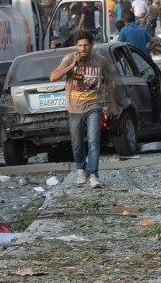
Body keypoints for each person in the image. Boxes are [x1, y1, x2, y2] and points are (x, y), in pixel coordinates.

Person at [48, 31, 118, 189]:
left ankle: (93, 174)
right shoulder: (69, 58)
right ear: (76, 46)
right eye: (79, 45)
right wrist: (72, 66)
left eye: (86, 45)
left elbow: (108, 82)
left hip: (94, 105)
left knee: (93, 141)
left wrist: (112, 104)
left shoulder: (100, 61)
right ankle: (81, 169)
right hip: (74, 107)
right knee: (77, 143)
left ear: (91, 45)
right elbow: (53, 77)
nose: (83, 48)